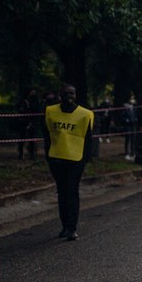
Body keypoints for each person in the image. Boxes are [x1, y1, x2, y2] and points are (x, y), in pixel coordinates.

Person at [43, 84, 94, 241]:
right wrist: (48, 157)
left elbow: (89, 139)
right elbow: (47, 135)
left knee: (72, 191)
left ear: (75, 95)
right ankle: (65, 226)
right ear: (60, 95)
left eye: (71, 93)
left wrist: (86, 158)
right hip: (57, 158)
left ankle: (72, 227)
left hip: (76, 159)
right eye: (65, 93)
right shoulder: (50, 111)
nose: (68, 96)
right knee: (62, 192)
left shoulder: (86, 114)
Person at [17, 90, 41, 159]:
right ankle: (21, 153)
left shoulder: (35, 100)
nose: (33, 92)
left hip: (32, 121)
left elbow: (36, 109)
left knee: (32, 138)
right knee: (21, 137)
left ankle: (32, 154)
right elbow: (19, 108)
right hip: (23, 121)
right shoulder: (23, 100)